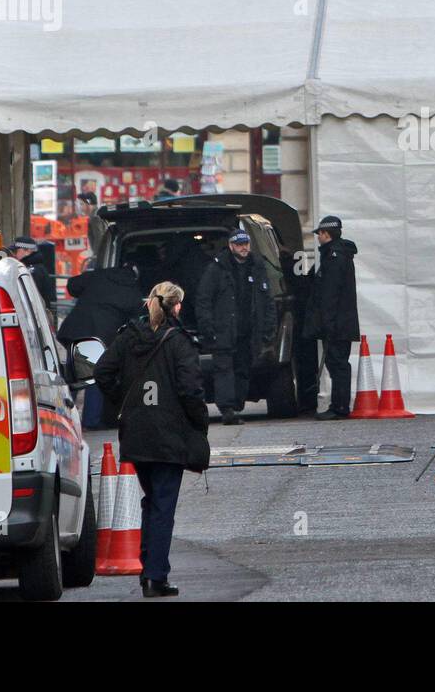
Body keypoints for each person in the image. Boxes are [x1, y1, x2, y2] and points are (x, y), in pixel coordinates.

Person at [94, 282, 208, 598]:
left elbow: (102, 371)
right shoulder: (179, 342)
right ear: (176, 307)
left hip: (136, 433)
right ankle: (155, 576)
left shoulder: (129, 336)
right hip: (169, 436)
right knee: (162, 506)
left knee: (152, 501)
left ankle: (149, 570)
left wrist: (122, 402)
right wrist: (198, 421)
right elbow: (190, 390)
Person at [196, 230, 275, 425]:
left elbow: (266, 299)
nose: (244, 247)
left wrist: (268, 327)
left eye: (246, 243)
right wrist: (208, 329)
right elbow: (203, 300)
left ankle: (237, 404)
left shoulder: (257, 266)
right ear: (231, 246)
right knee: (224, 369)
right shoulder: (217, 268)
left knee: (243, 369)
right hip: (223, 330)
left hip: (248, 331)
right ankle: (227, 409)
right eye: (239, 244)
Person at [57, 262, 144, 427]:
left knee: (74, 376)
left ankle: (64, 417)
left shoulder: (98, 276)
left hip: (76, 329)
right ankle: (90, 420)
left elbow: (72, 286)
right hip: (101, 336)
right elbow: (135, 319)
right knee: (94, 377)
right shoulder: (133, 292)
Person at [304, 215, 359, 421]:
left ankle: (340, 406)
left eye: (319, 233)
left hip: (337, 324)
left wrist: (327, 324)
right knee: (336, 363)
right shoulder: (337, 255)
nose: (318, 238)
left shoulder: (334, 257)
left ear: (326, 234)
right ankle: (339, 405)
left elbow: (330, 295)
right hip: (340, 322)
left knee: (338, 364)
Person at [10, 236, 57, 308]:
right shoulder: (35, 267)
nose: (14, 254)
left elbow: (31, 297)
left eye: (16, 251)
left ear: (27, 251)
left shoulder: (32, 271)